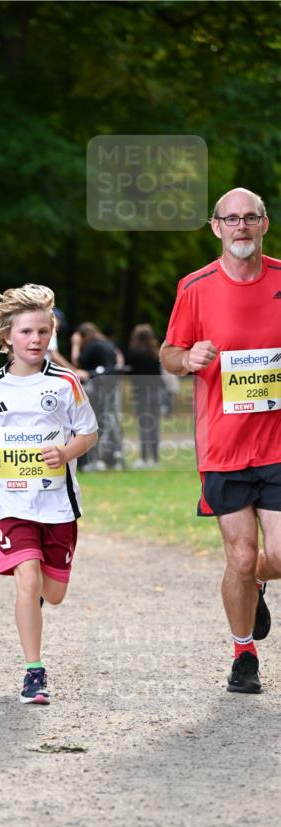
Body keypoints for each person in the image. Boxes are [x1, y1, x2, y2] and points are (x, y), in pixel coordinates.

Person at [160, 186, 280, 695]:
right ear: (216, 228)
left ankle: (254, 586)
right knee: (238, 554)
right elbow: (168, 351)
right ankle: (243, 654)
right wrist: (186, 359)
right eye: (231, 220)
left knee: (271, 556)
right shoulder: (196, 287)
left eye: (250, 218)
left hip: (278, 445)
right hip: (224, 449)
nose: (241, 227)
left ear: (264, 224)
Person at [0, 284, 98, 705]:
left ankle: (37, 603)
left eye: (43, 331)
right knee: (26, 578)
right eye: (26, 332)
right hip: (13, 502)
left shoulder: (65, 383)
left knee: (53, 593)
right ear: (7, 336)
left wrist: (65, 452)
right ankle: (34, 672)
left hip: (58, 504)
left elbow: (89, 433)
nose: (35, 340)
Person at [71, 322, 123, 470]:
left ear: (83, 336)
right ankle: (113, 458)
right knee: (110, 421)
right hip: (112, 387)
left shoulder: (92, 346)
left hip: (99, 389)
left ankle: (94, 460)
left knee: (97, 422)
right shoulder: (107, 344)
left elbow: (77, 361)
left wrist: (75, 344)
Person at [125, 323, 163, 468]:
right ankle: (155, 459)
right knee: (154, 426)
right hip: (155, 392)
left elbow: (129, 373)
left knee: (144, 426)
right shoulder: (154, 352)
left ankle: (145, 458)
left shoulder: (133, 353)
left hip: (141, 393)